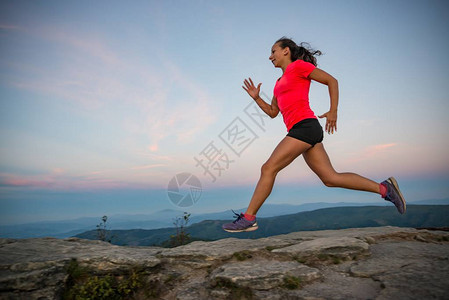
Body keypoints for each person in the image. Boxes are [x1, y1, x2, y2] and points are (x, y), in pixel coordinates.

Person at [222, 37, 406, 233]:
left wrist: (333, 110)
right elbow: (273, 112)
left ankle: (249, 218)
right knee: (330, 178)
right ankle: (385, 189)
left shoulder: (299, 67)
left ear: (286, 51)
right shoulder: (277, 83)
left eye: (273, 51)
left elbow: (331, 81)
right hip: (302, 130)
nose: (270, 56)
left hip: (305, 127)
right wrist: (257, 98)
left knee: (268, 168)